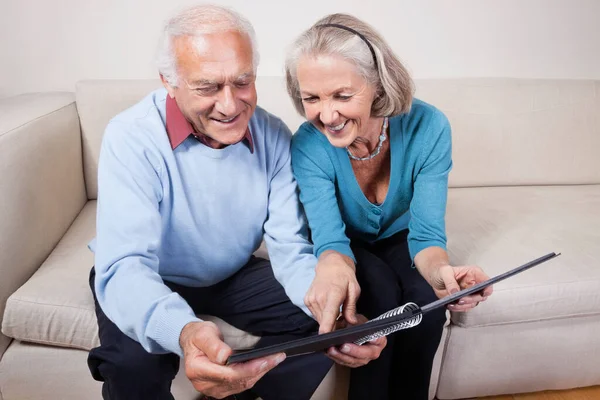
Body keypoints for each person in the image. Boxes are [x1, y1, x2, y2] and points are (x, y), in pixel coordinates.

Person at [86, 5, 381, 400]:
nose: (229, 105)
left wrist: (335, 314)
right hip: (147, 272)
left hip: (232, 274)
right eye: (207, 87)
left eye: (242, 82)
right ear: (169, 83)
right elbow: (124, 265)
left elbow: (290, 250)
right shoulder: (130, 137)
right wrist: (184, 330)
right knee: (130, 367)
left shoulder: (274, 135)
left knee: (327, 321)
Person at [286, 13, 494, 399]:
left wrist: (445, 278)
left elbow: (427, 235)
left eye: (342, 96)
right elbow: (330, 240)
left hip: (402, 239)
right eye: (311, 98)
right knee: (379, 291)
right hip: (348, 246)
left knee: (428, 301)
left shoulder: (429, 126)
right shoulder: (307, 144)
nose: (326, 116)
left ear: (379, 84)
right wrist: (333, 270)